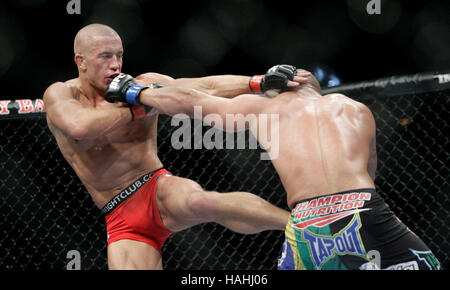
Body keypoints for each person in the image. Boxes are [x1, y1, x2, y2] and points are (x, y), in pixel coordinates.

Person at [107, 68, 441, 270]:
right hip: (361, 208)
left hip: (305, 223)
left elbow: (191, 102)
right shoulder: (353, 108)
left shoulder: (262, 109)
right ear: (314, 86)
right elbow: (370, 170)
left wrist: (136, 92)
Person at [43, 23, 308, 270]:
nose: (115, 65)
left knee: (203, 202)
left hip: (155, 189)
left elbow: (204, 87)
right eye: (105, 57)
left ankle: (302, 226)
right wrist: (140, 108)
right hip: (120, 218)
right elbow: (79, 126)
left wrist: (258, 82)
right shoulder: (62, 94)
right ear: (81, 61)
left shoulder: (141, 85)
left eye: (119, 56)